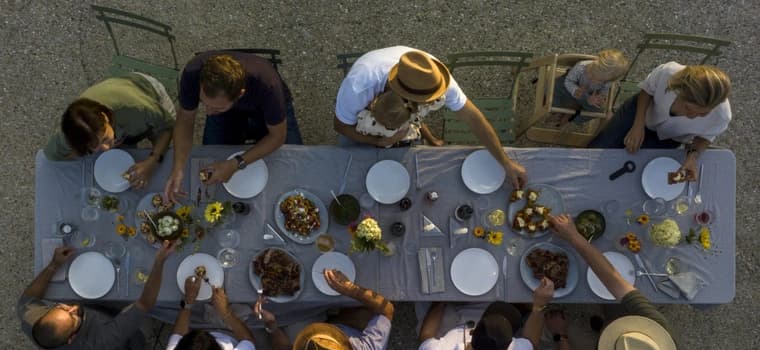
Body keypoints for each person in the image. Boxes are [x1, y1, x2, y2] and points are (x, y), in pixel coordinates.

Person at [334, 46, 527, 188]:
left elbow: (474, 119)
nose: (429, 104)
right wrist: (378, 142)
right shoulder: (359, 87)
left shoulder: (434, 83)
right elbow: (341, 126)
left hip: (392, 132)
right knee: (354, 180)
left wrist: (506, 163)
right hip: (358, 131)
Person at [544, 214, 683, 350]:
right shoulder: (656, 328)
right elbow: (614, 280)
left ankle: (561, 332)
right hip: (630, 339)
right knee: (611, 300)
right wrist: (574, 237)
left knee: (558, 329)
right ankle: (603, 323)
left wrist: (559, 335)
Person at [164, 52, 303, 201]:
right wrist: (178, 168)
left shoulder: (267, 85)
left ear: (240, 95)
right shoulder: (193, 74)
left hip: (264, 107)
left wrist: (236, 163)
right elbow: (185, 120)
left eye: (216, 109)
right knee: (212, 154)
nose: (209, 113)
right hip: (228, 109)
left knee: (291, 160)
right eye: (204, 104)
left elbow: (277, 137)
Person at [17, 241, 176, 350]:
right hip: (124, 348)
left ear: (43, 316)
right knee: (145, 317)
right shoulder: (98, 343)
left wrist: (54, 265)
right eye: (73, 316)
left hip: (97, 323)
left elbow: (29, 296)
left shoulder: (29, 317)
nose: (72, 308)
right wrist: (159, 262)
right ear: (72, 338)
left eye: (62, 308)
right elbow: (145, 304)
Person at [261, 269, 394, 350]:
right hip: (347, 326)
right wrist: (351, 289)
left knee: (287, 317)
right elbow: (387, 310)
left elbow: (282, 348)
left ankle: (318, 312)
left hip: (319, 329)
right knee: (371, 304)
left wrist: (272, 326)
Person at [589, 63, 731, 181]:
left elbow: (705, 137)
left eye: (703, 113)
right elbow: (646, 91)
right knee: (598, 150)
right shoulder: (667, 73)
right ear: (679, 91)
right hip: (639, 113)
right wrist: (638, 125)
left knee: (640, 173)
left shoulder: (722, 116)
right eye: (688, 108)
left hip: (669, 138)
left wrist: (692, 156)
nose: (693, 117)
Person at [43, 73, 176, 189]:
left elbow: (168, 126)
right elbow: (51, 155)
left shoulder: (135, 108)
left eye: (105, 139)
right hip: (128, 126)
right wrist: (80, 151)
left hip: (151, 96)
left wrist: (152, 162)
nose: (107, 149)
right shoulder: (73, 131)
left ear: (105, 117)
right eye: (94, 146)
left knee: (164, 154)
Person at [417, 278, 553, 350]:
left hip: (448, 331)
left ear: (471, 332)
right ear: (508, 348)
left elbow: (426, 335)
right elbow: (531, 342)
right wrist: (539, 306)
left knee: (424, 297)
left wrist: (440, 300)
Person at [160, 280, 255, 350]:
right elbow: (249, 340)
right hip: (231, 335)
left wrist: (188, 302)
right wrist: (226, 312)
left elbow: (178, 334)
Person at [551, 49, 629, 125]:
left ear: (608, 80)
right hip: (570, 86)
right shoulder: (581, 66)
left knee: (599, 111)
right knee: (555, 85)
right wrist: (575, 89)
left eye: (598, 80)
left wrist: (597, 98)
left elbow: (603, 92)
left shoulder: (608, 82)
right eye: (591, 73)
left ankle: (573, 118)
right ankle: (555, 110)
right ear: (595, 62)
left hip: (587, 95)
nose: (591, 79)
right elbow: (568, 81)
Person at [355, 89, 445, 146]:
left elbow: (359, 126)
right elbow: (439, 100)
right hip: (411, 140)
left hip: (385, 146)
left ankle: (431, 140)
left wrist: (367, 108)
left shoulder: (368, 123)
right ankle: (432, 140)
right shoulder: (413, 113)